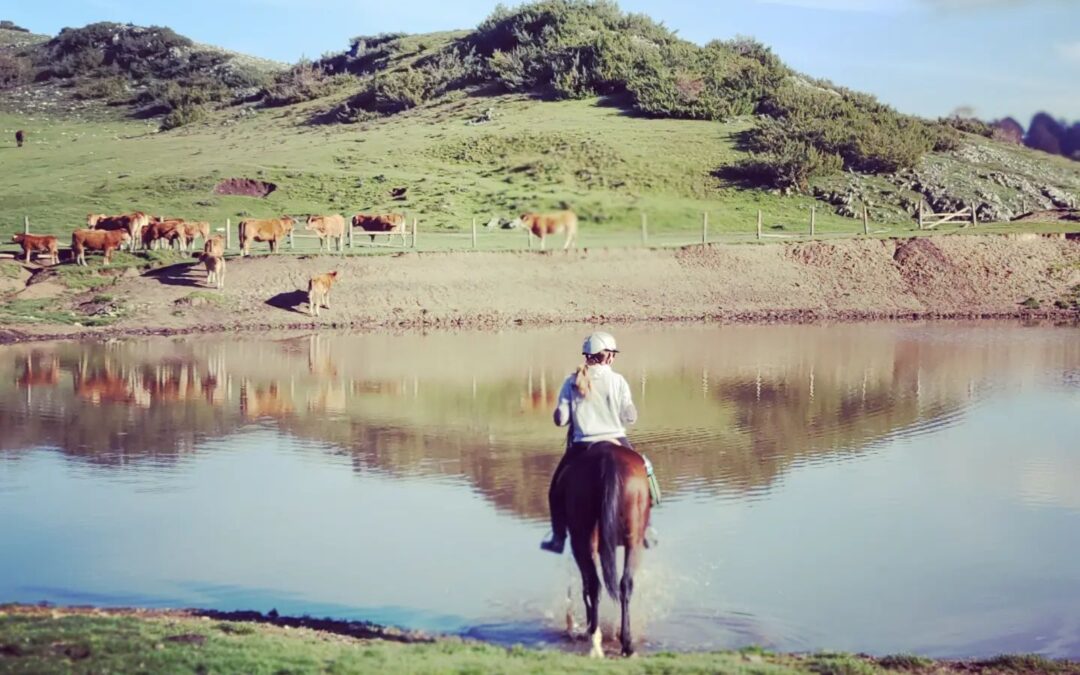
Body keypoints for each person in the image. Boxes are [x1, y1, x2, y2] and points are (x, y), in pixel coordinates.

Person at [540, 331, 639, 554]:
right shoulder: (618, 381)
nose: (613, 358)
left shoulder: (571, 382)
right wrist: (629, 411)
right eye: (613, 354)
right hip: (616, 439)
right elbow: (630, 416)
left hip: (582, 445)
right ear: (607, 356)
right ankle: (647, 528)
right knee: (647, 473)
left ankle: (558, 537)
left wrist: (559, 412)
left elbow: (562, 420)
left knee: (556, 489)